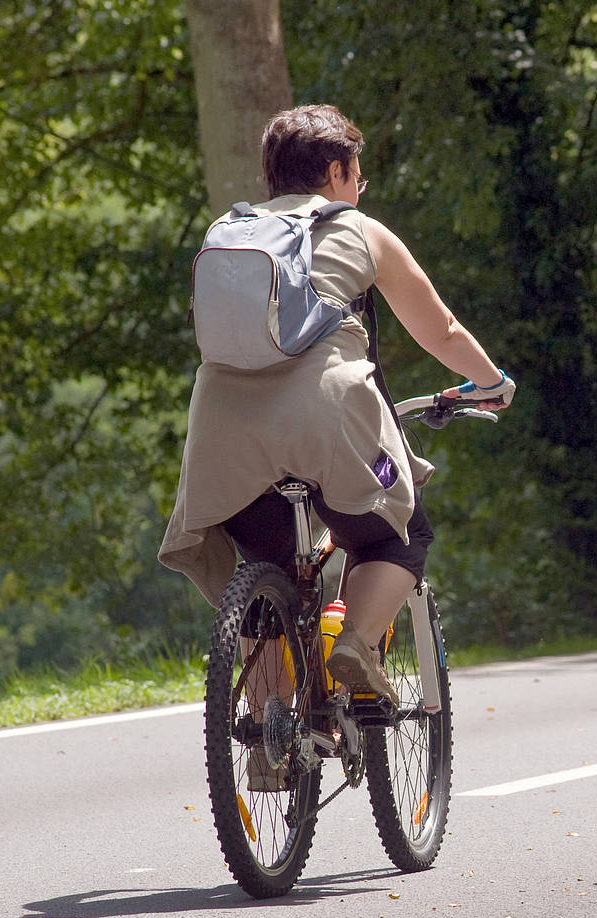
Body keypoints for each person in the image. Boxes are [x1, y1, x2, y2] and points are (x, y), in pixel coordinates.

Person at [159, 104, 514, 706]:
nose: (360, 186)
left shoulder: (229, 232)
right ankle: (354, 642)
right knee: (397, 536)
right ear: (334, 172)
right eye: (357, 173)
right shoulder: (357, 229)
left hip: (220, 428)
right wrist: (493, 382)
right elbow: (442, 330)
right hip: (325, 419)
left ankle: (267, 743)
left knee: (265, 578)